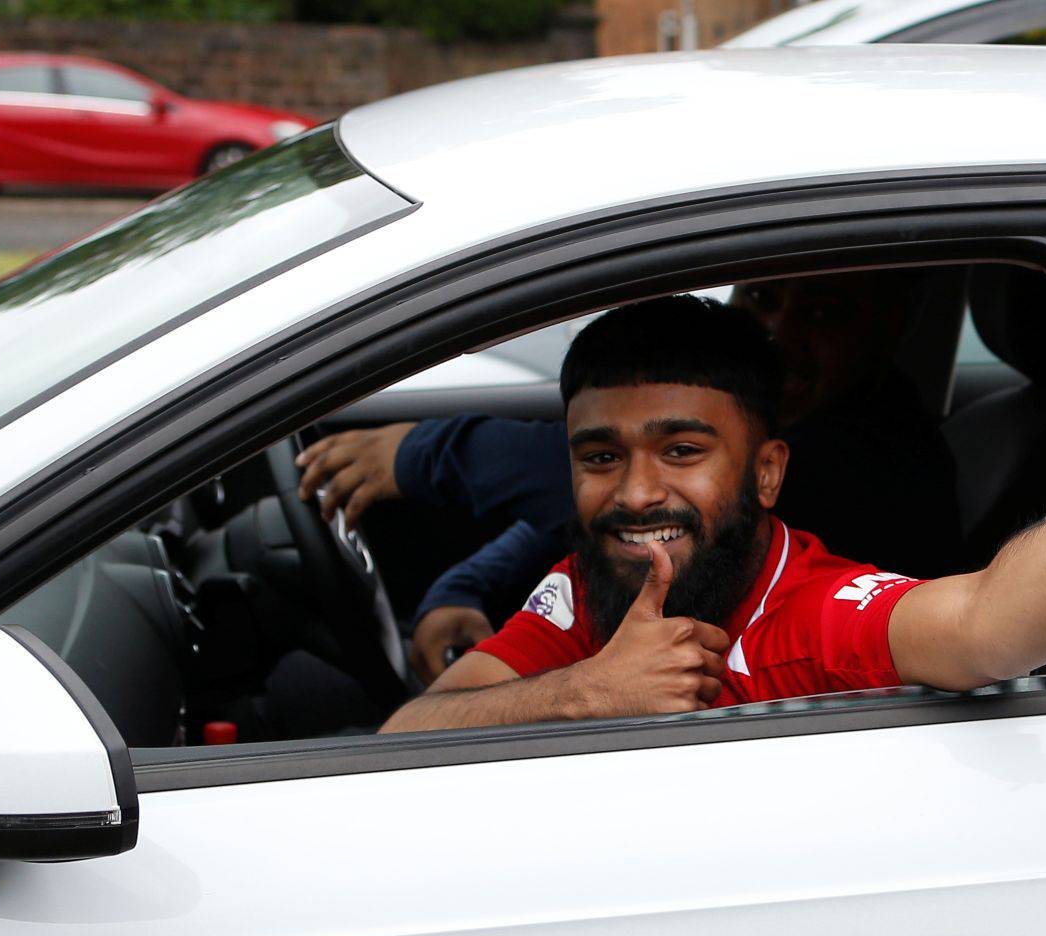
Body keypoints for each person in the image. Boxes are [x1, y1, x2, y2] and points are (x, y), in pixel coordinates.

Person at [380, 294, 1046, 733]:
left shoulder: (812, 607)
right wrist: (582, 693)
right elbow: (410, 734)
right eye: (601, 458)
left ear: (767, 473)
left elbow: (987, 625)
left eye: (682, 451)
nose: (637, 495)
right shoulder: (587, 592)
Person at [296, 275, 962, 682]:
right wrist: (466, 587)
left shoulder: (874, 456)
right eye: (762, 299)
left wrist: (427, 453)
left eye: (822, 315)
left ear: (768, 473)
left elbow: (645, 502)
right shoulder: (661, 512)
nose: (779, 333)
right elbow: (607, 517)